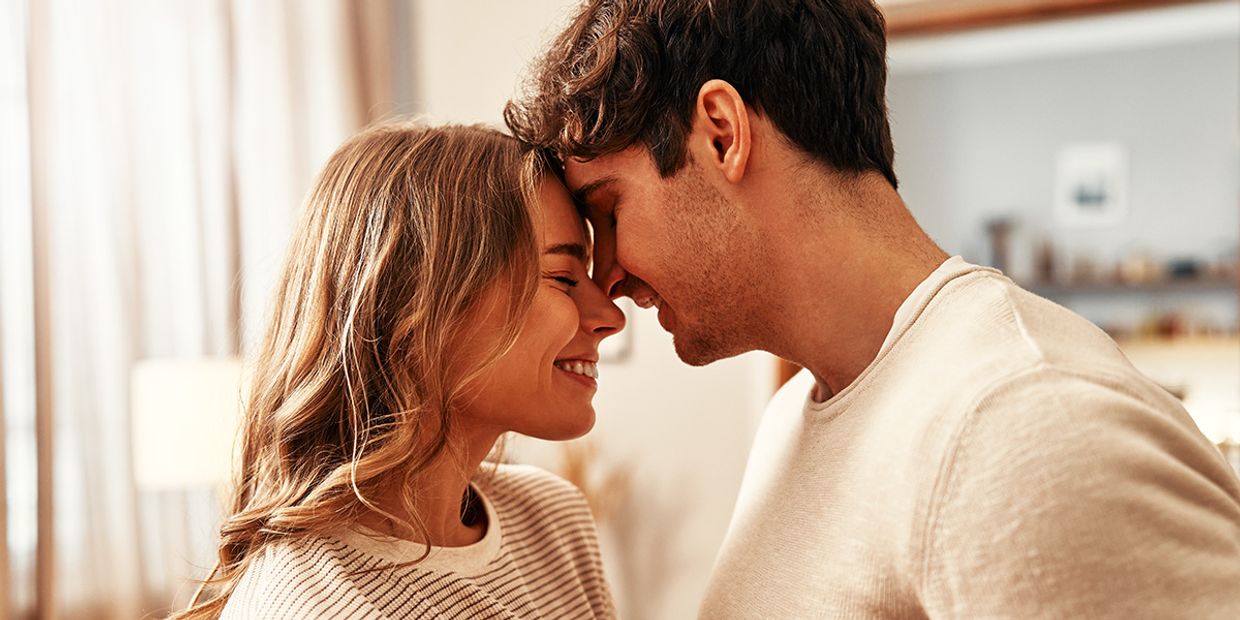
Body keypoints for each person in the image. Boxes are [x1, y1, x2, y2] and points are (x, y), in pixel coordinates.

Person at [505, 0, 1240, 617]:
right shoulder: (798, 413)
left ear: (722, 134)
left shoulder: (1026, 428)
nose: (612, 282)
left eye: (609, 210)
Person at [176, 122, 623, 619]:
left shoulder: (552, 520)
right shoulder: (314, 606)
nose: (610, 316)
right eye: (563, 278)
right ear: (420, 308)